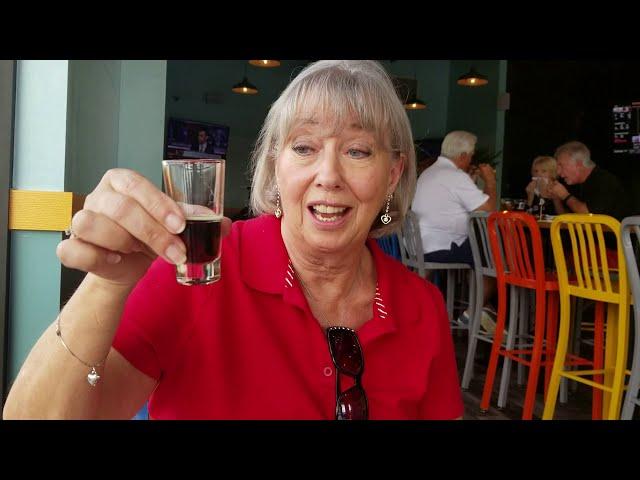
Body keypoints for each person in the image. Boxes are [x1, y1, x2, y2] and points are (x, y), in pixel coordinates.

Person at [3, 60, 463, 420]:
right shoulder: (199, 269)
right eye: (304, 147)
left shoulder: (420, 307)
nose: (329, 176)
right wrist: (107, 284)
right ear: (276, 167)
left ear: (393, 173)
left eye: (357, 151)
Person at [411, 130, 498, 333]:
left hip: (421, 245)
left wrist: (472, 183)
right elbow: (489, 210)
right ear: (464, 156)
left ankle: (482, 310)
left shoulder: (430, 172)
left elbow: (461, 204)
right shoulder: (455, 176)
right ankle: (474, 312)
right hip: (442, 247)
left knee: (480, 250)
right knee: (494, 255)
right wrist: (491, 182)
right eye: (471, 155)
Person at [545, 141, 631, 220]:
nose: (558, 172)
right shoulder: (573, 183)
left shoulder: (604, 181)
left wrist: (565, 195)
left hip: (614, 236)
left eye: (561, 165)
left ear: (578, 164)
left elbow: (589, 216)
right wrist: (556, 199)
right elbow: (567, 219)